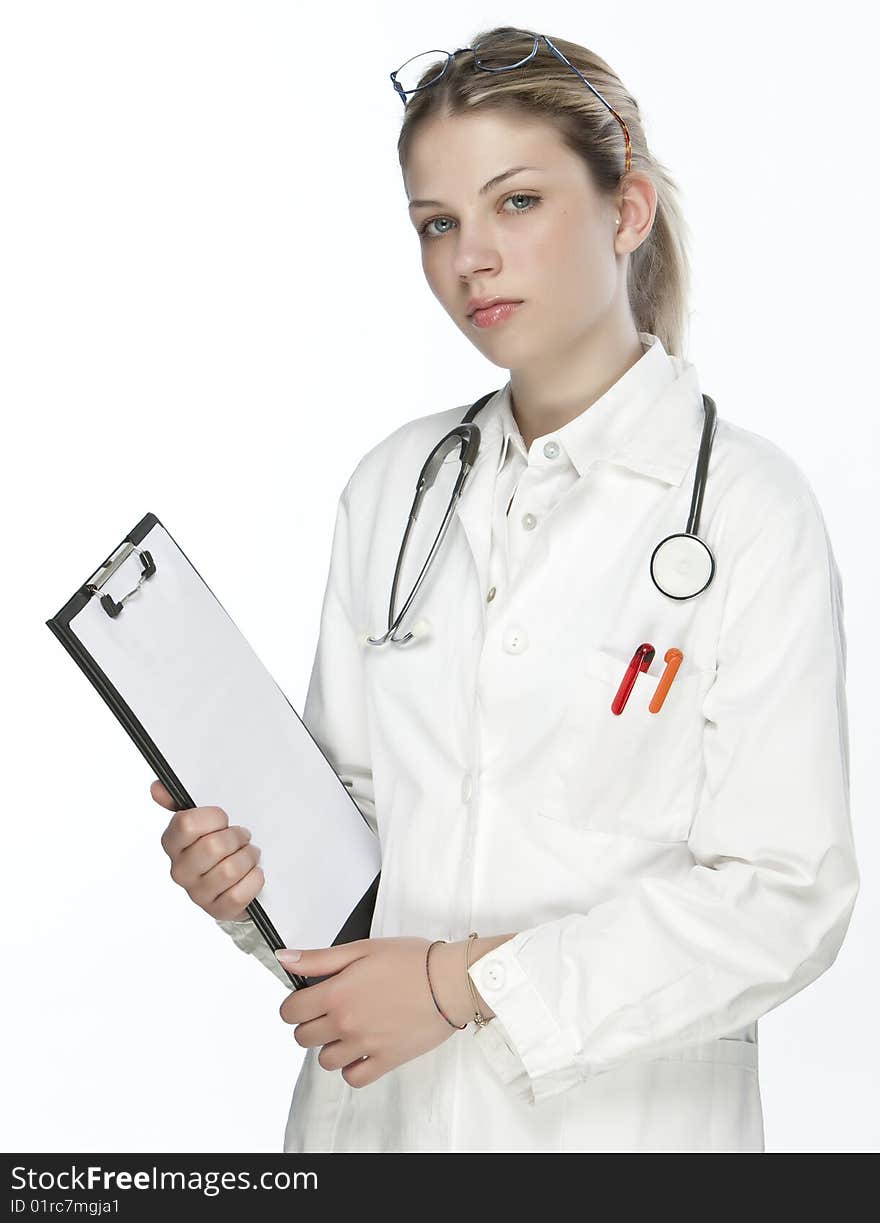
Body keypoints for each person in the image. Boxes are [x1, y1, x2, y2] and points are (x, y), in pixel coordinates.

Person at [151, 26, 860, 1153]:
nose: (469, 257)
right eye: (437, 224)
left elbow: (784, 896)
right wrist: (249, 879)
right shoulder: (395, 487)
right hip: (371, 1129)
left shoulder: (745, 511)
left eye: (516, 203)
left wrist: (457, 984)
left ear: (625, 211)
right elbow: (362, 844)